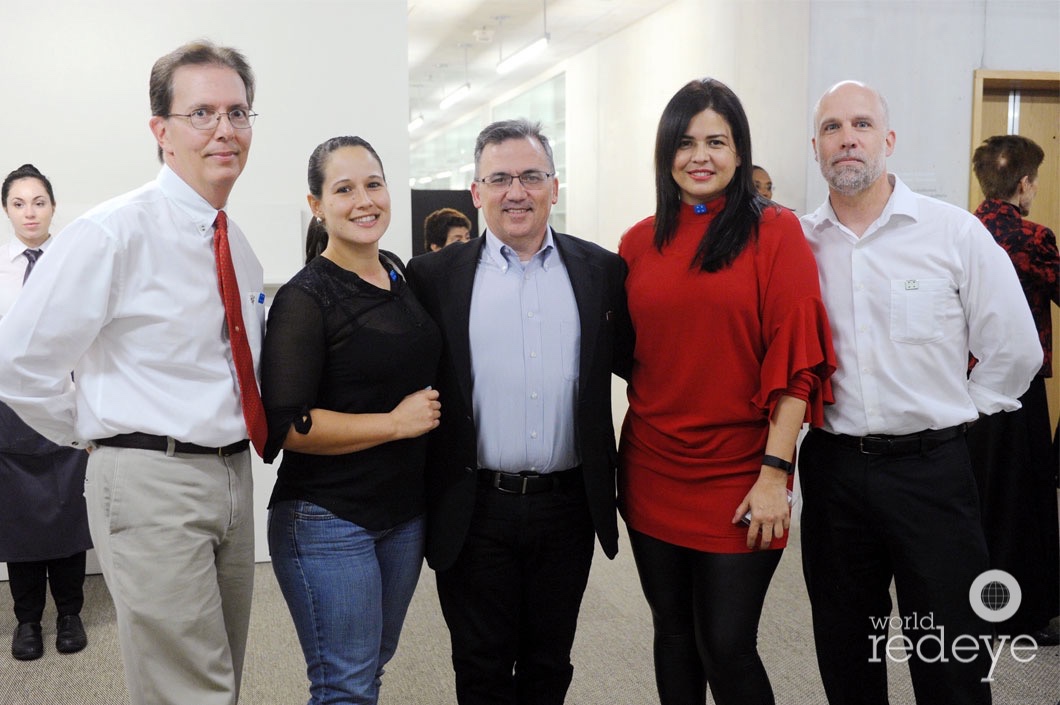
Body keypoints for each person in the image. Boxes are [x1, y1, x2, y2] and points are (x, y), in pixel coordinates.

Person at [0, 41, 264, 705]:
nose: (224, 129)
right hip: (152, 481)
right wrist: (92, 435)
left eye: (238, 112)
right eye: (201, 112)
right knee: (190, 690)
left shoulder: (239, 245)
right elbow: (18, 363)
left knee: (219, 675)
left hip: (233, 476)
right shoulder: (112, 232)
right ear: (161, 130)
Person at [799, 80, 1042, 705]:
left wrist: (961, 412)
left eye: (860, 124)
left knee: (952, 651)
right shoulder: (799, 245)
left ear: (888, 139)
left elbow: (1015, 347)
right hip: (833, 472)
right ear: (817, 146)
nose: (846, 138)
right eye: (831, 127)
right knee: (846, 649)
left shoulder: (952, 233)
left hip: (932, 472)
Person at [618, 78, 835, 705]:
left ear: (740, 152)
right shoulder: (638, 242)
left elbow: (800, 367)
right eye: (685, 143)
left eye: (717, 140)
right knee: (673, 633)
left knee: (728, 644)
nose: (700, 156)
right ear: (666, 153)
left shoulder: (776, 233)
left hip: (743, 472)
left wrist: (776, 472)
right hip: (652, 465)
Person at [405, 118, 633, 705]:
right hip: (474, 505)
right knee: (479, 668)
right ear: (475, 191)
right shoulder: (433, 278)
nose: (516, 191)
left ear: (554, 187)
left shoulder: (601, 272)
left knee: (549, 663)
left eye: (531, 176)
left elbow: (644, 367)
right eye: (499, 178)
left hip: (567, 508)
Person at [261, 136, 443, 705]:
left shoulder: (398, 274)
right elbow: (285, 425)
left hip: (402, 515)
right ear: (317, 204)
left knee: (368, 670)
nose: (364, 200)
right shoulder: (305, 298)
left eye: (373, 184)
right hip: (328, 519)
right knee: (345, 685)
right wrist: (393, 423)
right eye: (344, 189)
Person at [969, 134, 1060, 646]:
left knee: (975, 495)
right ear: (1024, 184)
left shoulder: (961, 232)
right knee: (1023, 501)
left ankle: (969, 604)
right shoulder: (1034, 237)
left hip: (967, 388)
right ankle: (1019, 615)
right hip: (1021, 391)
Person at [0, 164, 91, 661]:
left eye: (38, 201)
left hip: (69, 403)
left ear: (53, 206)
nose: (30, 212)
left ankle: (71, 613)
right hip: (12, 411)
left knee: (67, 511)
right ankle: (28, 621)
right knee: (19, 517)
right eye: (19, 203)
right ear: (6, 210)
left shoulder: (74, 261)